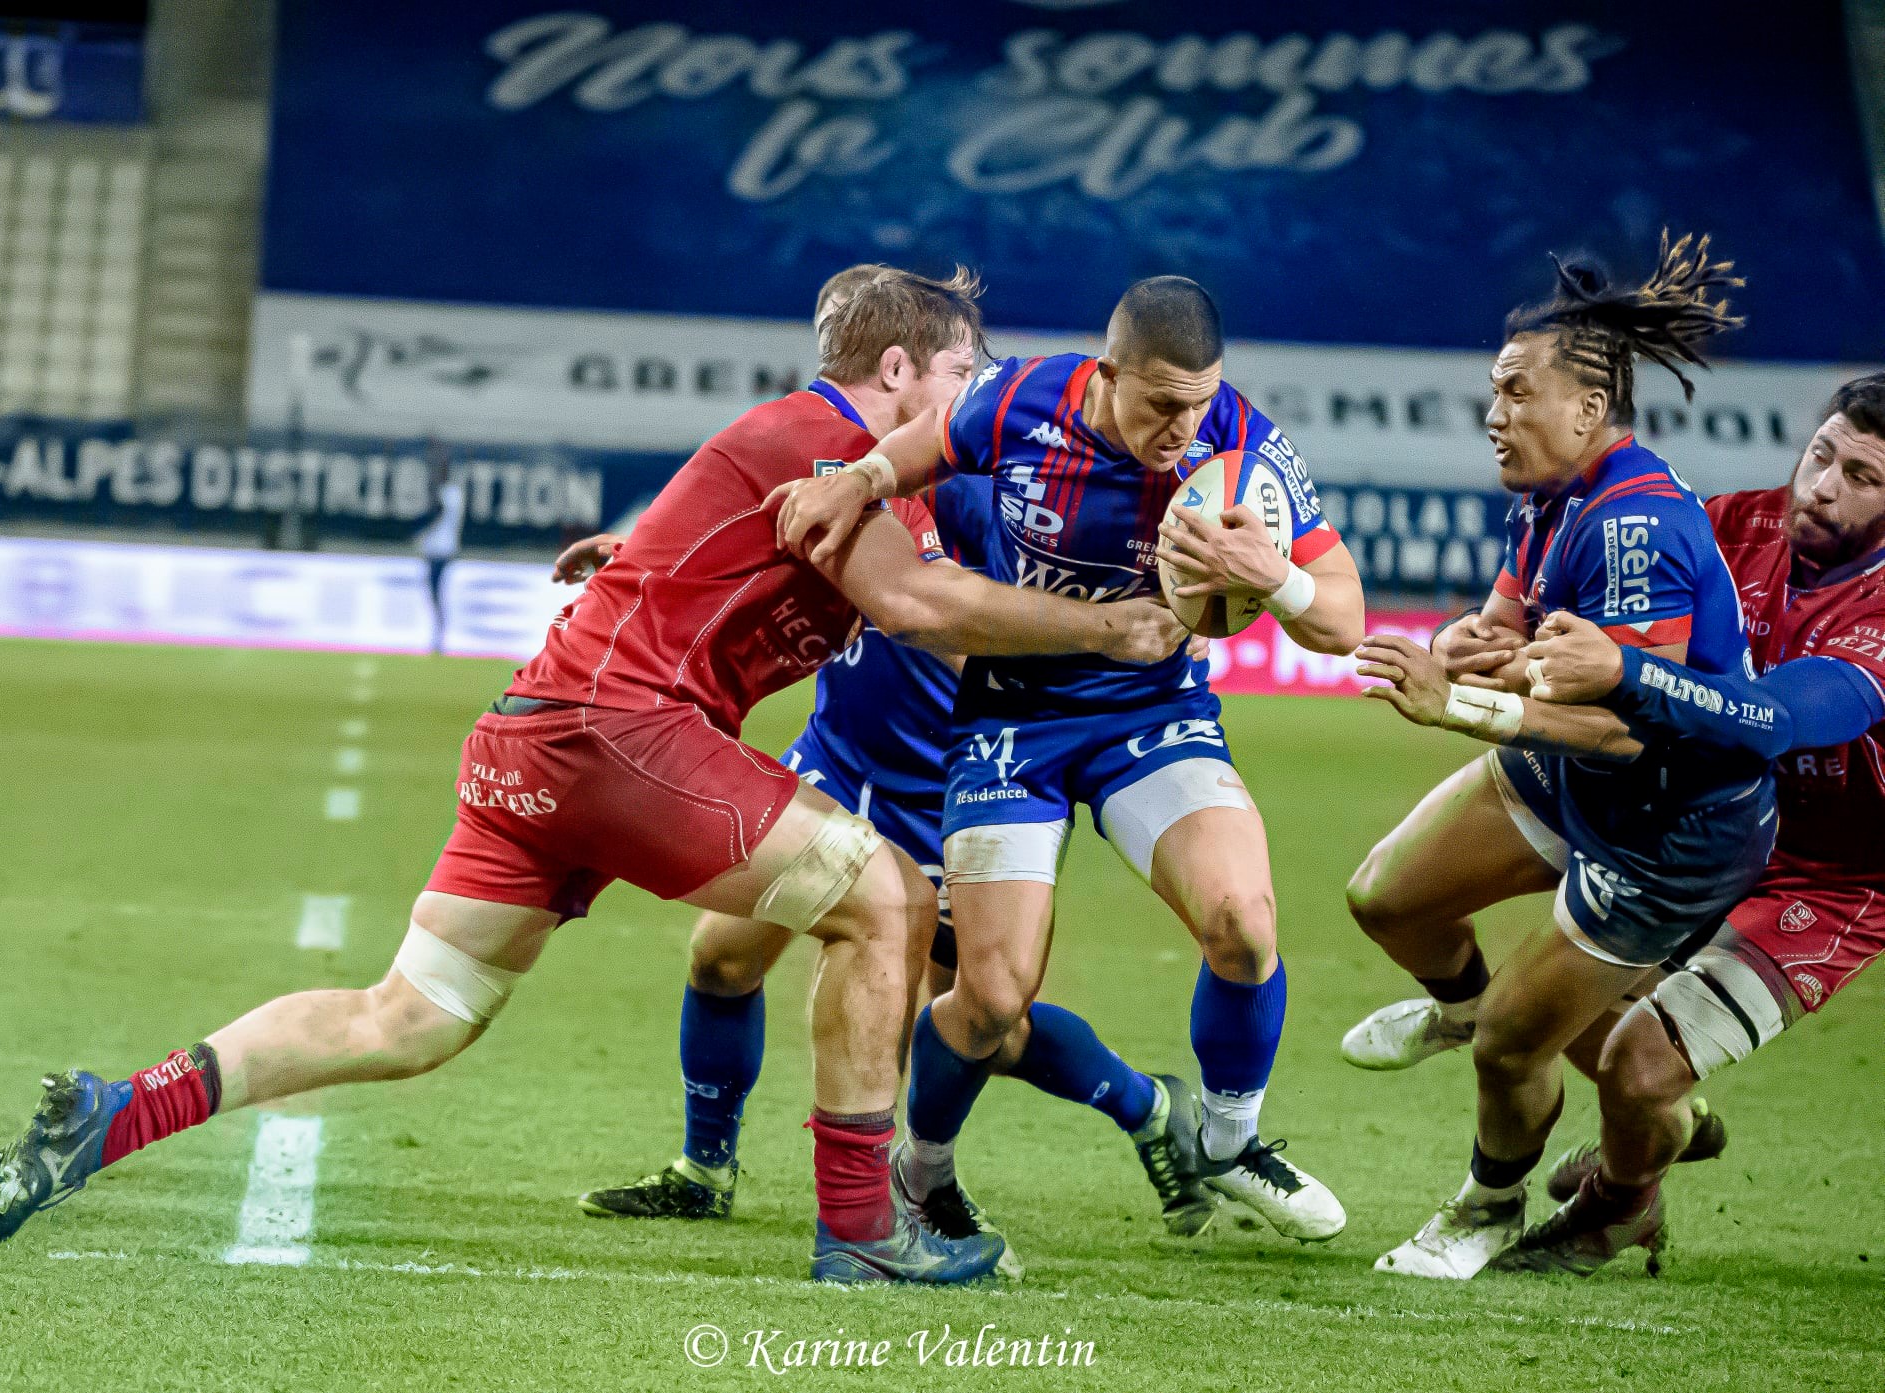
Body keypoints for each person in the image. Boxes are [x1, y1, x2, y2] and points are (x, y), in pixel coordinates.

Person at [0, 268, 1185, 1285]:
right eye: (966, 371)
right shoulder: (836, 440)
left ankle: (113, 1108)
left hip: (535, 740)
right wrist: (1111, 626)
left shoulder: (808, 447)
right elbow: (920, 605)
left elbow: (751, 552)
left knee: (404, 1019)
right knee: (887, 902)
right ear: (901, 369)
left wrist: (641, 554)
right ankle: (864, 1231)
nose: (977, 399)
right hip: (624, 732)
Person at [568, 267, 1219, 1263]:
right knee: (721, 955)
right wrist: (651, 555)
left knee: (986, 1021)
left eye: (972, 373)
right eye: (957, 368)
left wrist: (1042, 628)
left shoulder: (979, 485)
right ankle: (705, 1170)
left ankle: (1146, 1106)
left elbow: (948, 613)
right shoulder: (854, 462)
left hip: (936, 794)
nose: (966, 393)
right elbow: (785, 551)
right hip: (840, 759)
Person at [770, 274, 1367, 1248]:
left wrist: (1281, 578)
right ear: (1107, 373)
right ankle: (923, 1171)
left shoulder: (1243, 449)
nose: (1184, 426)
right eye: (1162, 403)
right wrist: (863, 477)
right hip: (1012, 719)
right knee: (993, 996)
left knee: (1244, 925)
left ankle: (1226, 1139)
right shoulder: (1022, 398)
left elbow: (1342, 617)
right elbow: (931, 444)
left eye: (1201, 399)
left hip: (1154, 715)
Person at [1346, 233, 1779, 1279]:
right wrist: (1461, 648)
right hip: (1575, 768)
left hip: (1666, 825)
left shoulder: (1633, 529)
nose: (1493, 414)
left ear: (1586, 411)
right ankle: (1504, 1022)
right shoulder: (1548, 493)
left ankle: (1487, 1208)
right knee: (1388, 897)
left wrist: (1466, 709)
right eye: (1492, 392)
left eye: (1513, 393)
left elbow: (1635, 721)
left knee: (1511, 1044)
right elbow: (1493, 628)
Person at [1479, 372, 1885, 1273]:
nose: (1822, 485)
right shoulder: (1728, 523)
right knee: (1562, 1009)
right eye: (1822, 453)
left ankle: (1619, 1204)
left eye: (1862, 477)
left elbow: (1773, 723)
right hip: (1708, 825)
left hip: (1828, 877)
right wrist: (1501, 639)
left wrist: (1628, 675)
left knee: (1637, 1066)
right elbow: (1586, 610)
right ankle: (1662, 1136)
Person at [415, 440, 467, 655]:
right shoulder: (455, 493)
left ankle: (439, 634)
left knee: (436, 592)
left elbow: (437, 515)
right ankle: (438, 633)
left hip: (439, 549)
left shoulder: (446, 493)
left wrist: (422, 534)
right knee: (437, 593)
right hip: (445, 548)